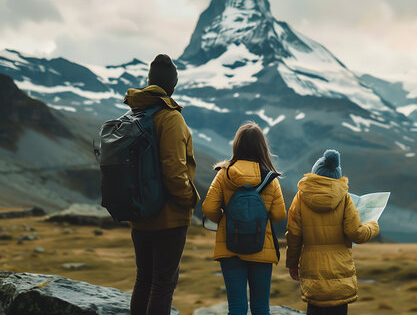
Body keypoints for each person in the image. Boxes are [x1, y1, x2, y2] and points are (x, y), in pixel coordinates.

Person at [125, 54, 200, 315]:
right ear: (172, 87)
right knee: (162, 284)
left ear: (149, 82)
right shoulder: (170, 118)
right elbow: (174, 170)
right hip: (169, 217)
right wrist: (190, 199)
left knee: (143, 278)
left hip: (139, 211)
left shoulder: (135, 113)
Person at [202, 122, 286, 315]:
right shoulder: (270, 179)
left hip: (230, 246)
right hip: (261, 246)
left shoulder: (224, 174)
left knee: (237, 307)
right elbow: (279, 214)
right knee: (261, 307)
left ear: (237, 145)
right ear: (262, 147)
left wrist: (226, 219)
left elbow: (208, 208)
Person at [286, 149, 380, 315]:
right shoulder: (345, 198)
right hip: (340, 271)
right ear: (337, 175)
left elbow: (294, 236)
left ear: (315, 172)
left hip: (312, 269)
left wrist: (292, 264)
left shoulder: (300, 198)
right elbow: (356, 234)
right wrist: (373, 226)